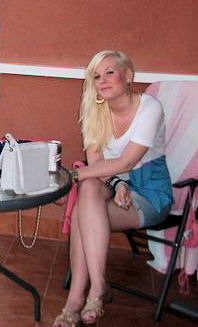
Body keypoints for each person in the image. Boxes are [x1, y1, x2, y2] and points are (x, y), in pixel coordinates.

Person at [53, 50, 173, 327]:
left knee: (85, 206)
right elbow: (98, 163)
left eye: (110, 72)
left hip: (148, 193)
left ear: (128, 76)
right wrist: (117, 183)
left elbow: (127, 161)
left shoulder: (149, 107)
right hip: (111, 184)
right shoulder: (94, 111)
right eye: (96, 76)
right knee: (90, 189)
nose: (103, 80)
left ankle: (81, 297)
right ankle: (93, 290)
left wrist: (73, 175)